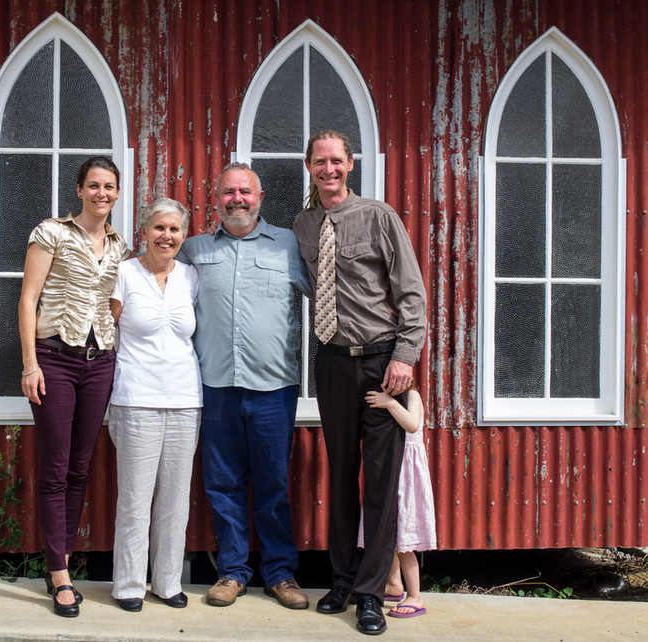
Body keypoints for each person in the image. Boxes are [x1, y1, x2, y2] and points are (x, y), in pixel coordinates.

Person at [293, 130, 427, 635]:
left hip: (381, 363)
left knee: (381, 482)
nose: (328, 169)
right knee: (341, 475)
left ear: (350, 164)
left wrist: (404, 358)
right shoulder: (304, 225)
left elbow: (410, 292)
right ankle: (344, 580)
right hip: (331, 364)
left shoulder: (378, 216)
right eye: (319, 162)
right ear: (309, 167)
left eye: (336, 161)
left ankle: (372, 593)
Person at [178, 162, 313, 610]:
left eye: (245, 192)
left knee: (273, 483)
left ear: (260, 197)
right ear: (216, 199)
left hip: (274, 386)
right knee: (222, 482)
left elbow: (333, 291)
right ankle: (232, 572)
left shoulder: (289, 245)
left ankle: (280, 574)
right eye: (228, 192)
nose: (237, 199)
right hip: (215, 384)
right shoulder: (193, 250)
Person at [18, 156, 130, 618]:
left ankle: (57, 561)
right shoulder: (52, 233)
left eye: (109, 187)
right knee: (55, 467)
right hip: (54, 360)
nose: (101, 193)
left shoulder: (120, 247)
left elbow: (115, 303)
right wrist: (29, 364)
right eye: (94, 185)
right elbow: (28, 298)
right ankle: (59, 571)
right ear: (79, 189)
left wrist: (108, 328)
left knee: (80, 468)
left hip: (98, 363)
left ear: (117, 194)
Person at [107, 197, 202, 612]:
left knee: (176, 499)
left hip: (185, 400)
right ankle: (128, 584)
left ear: (183, 235)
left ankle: (167, 582)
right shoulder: (124, 274)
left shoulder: (191, 277)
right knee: (135, 498)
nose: (167, 236)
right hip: (136, 400)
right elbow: (104, 333)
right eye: (159, 228)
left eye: (175, 230)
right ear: (144, 232)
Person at [362, 380, 436, 619]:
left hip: (407, 472)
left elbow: (412, 425)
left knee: (404, 537)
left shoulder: (412, 395)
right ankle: (394, 584)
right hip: (389, 467)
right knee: (387, 531)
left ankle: (415, 595)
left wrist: (390, 403)